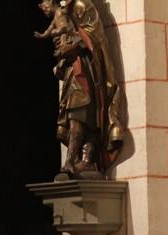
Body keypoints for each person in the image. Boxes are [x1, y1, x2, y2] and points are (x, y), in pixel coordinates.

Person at [41, 0, 125, 179]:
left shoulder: (81, 4)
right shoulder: (65, 9)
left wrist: (70, 46)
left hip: (86, 68)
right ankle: (84, 159)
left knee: (80, 112)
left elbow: (93, 36)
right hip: (74, 66)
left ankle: (73, 160)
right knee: (82, 114)